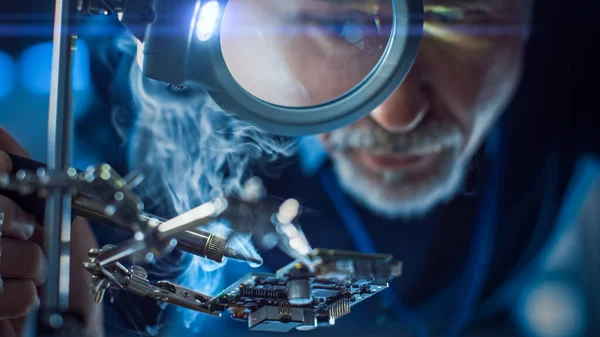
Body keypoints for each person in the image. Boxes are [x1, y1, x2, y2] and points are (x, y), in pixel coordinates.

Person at [0, 0, 598, 336]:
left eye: (458, 14)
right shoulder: (153, 125)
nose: (397, 113)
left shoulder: (575, 55)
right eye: (341, 24)